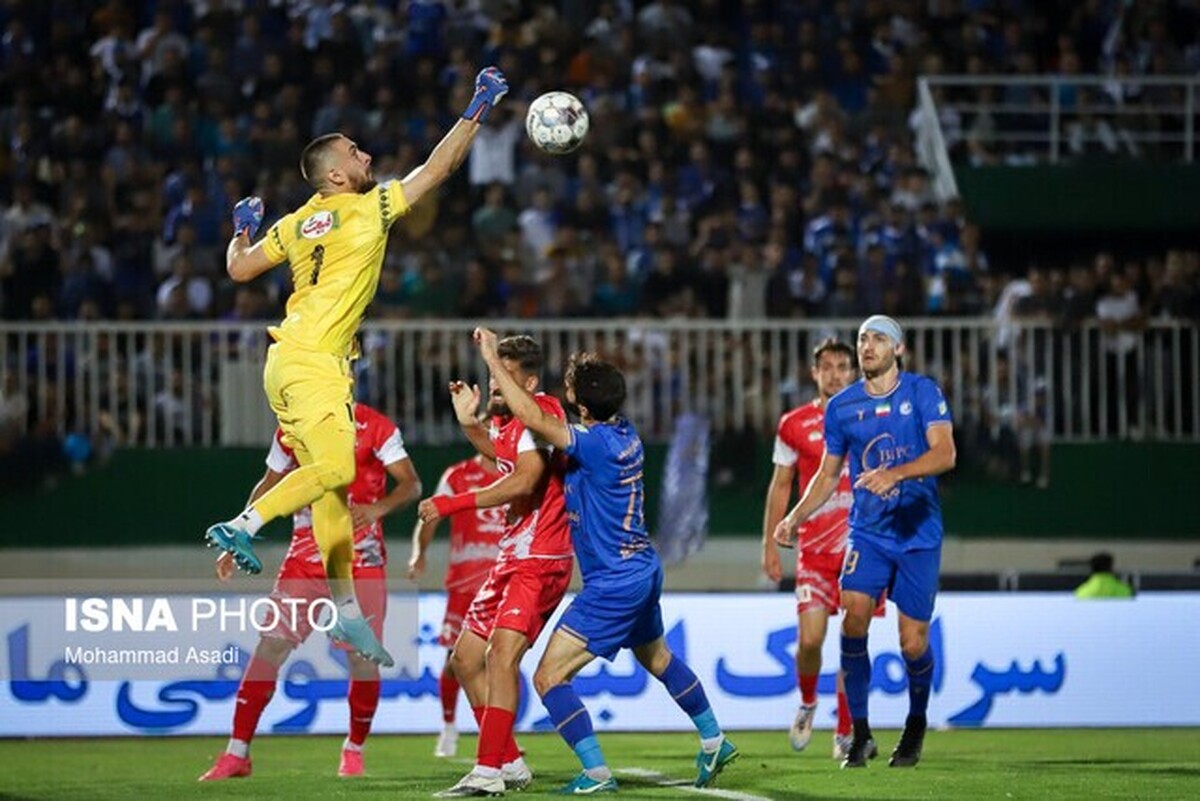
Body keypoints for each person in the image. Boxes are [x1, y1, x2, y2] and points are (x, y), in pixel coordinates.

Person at [202, 67, 509, 668]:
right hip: (313, 362)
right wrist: (477, 106)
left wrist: (242, 229)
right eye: (354, 151)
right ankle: (245, 523)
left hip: (289, 363)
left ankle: (344, 612)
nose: (366, 154)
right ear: (338, 175)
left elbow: (238, 269)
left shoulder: (294, 223)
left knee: (331, 490)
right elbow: (437, 170)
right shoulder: (367, 209)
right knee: (339, 467)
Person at [474, 327, 739, 794]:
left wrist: (493, 361)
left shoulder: (591, 444)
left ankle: (596, 773)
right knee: (657, 657)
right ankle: (714, 737)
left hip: (613, 580)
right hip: (643, 568)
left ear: (579, 405)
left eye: (571, 388)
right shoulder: (625, 433)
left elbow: (531, 414)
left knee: (548, 676)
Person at [199, 403, 421, 781]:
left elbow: (411, 483)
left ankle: (354, 749)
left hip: (361, 559)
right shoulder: (293, 425)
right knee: (271, 644)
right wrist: (239, 537)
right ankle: (237, 752)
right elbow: (269, 484)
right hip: (306, 555)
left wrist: (377, 509)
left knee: (363, 662)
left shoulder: (376, 426)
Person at [774, 315, 956, 770]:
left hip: (917, 533)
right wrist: (794, 517)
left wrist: (894, 473)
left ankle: (915, 724)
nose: (867, 346)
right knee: (853, 620)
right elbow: (827, 473)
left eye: (878, 339)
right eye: (863, 339)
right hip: (869, 533)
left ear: (899, 349)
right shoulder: (843, 408)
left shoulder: (923, 393)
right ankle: (860, 733)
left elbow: (945, 454)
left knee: (912, 643)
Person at [417, 335, 573, 797]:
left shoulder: (543, 410)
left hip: (540, 558)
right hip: (512, 557)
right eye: (490, 376)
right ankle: (509, 761)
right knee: (465, 660)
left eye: (501, 377)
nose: (493, 387)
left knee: (500, 657)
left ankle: (488, 772)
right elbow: (503, 455)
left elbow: (526, 481)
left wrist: (452, 504)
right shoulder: (508, 425)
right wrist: (468, 423)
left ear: (527, 380)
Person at [761, 338, 859, 759]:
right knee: (811, 641)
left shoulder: (870, 419)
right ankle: (807, 702)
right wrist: (769, 544)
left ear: (853, 372)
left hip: (861, 551)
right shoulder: (794, 423)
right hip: (814, 554)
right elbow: (781, 485)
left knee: (854, 640)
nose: (835, 373)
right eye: (828, 367)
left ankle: (845, 728)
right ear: (814, 373)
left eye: (842, 366)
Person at [407, 452, 506, 758]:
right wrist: (418, 553)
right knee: (456, 660)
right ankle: (449, 727)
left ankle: (498, 738)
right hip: (465, 584)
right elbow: (431, 513)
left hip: (504, 580)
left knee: (499, 659)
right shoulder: (457, 474)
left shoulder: (518, 470)